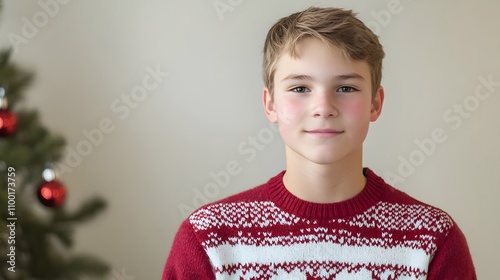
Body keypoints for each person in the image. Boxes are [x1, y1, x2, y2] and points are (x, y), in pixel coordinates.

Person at [162, 6, 476, 279]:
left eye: (347, 88)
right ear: (270, 104)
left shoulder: (433, 239)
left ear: (375, 104)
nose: (323, 107)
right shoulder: (209, 238)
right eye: (300, 88)